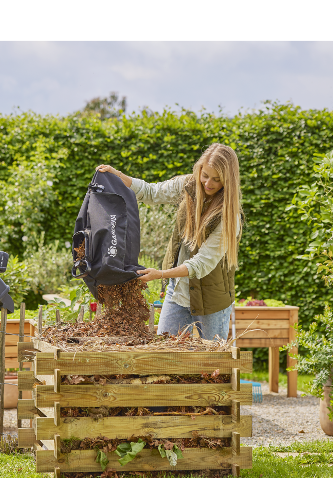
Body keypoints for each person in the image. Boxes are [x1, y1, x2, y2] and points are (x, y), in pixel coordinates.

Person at [97, 142, 243, 341]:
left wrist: (160, 274)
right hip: (178, 290)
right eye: (205, 175)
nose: (208, 183)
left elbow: (202, 263)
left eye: (217, 179)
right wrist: (119, 177)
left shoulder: (229, 216)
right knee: (164, 352)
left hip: (212, 299)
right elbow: (152, 192)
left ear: (228, 180)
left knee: (213, 362)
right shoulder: (188, 185)